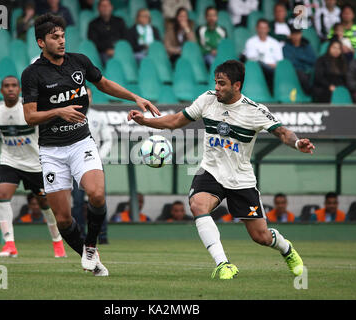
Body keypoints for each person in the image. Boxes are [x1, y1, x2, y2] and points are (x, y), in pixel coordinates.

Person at [128, 60, 313, 279]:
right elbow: (176, 120)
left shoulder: (254, 111)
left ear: (237, 85)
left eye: (222, 83)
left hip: (240, 178)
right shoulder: (207, 99)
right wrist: (146, 122)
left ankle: (286, 249)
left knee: (261, 236)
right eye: (216, 82)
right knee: (198, 204)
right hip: (211, 170)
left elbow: (282, 132)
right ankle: (223, 264)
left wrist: (297, 142)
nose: (217, 87)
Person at [21, 14, 160, 275]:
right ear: (41, 42)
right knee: (63, 219)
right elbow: (29, 117)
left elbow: (104, 84)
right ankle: (94, 263)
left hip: (80, 142)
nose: (61, 41)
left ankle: (91, 247)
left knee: (96, 194)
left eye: (62, 36)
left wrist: (135, 97)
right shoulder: (32, 74)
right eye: (54, 37)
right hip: (51, 150)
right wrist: (58, 111)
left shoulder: (79, 62)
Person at [0, 75, 67, 259]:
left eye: (14, 85)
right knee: (2, 194)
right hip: (9, 160)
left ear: (20, 89)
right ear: (1, 90)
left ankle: (57, 241)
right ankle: (9, 244)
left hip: (35, 163)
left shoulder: (28, 107)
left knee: (45, 202)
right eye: (7, 86)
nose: (11, 89)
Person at [71, 87, 112, 244]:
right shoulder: (70, 116)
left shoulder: (98, 116)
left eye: (88, 96)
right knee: (78, 201)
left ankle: (102, 236)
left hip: (95, 165)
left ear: (92, 98)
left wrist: (99, 157)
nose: (86, 99)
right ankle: (80, 234)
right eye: (83, 96)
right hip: (76, 165)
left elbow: (108, 139)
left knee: (99, 199)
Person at [244, 19, 283, 94]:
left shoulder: (275, 43)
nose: (262, 30)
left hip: (273, 70)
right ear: (256, 28)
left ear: (268, 29)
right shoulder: (250, 42)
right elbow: (251, 61)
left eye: (264, 28)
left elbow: (279, 62)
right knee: (260, 64)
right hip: (256, 70)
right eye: (260, 28)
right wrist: (269, 65)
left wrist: (271, 65)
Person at [87, 0, 127, 65]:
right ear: (98, 8)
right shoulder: (93, 24)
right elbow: (94, 42)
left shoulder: (120, 21)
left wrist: (117, 50)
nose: (105, 8)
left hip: (120, 51)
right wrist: (107, 50)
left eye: (107, 5)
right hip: (103, 53)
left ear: (111, 7)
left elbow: (125, 38)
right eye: (103, 6)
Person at [283, 25, 317, 95]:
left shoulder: (307, 45)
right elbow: (290, 62)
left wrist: (300, 57)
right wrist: (304, 60)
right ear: (291, 35)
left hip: (308, 70)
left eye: (298, 34)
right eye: (294, 34)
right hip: (295, 71)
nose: (296, 36)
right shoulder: (286, 47)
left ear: (301, 34)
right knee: (301, 74)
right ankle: (310, 93)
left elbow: (313, 60)